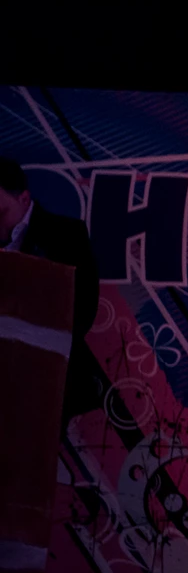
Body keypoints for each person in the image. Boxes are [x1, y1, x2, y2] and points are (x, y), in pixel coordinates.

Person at [0, 157, 100, 416]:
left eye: (1, 213)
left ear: (24, 199)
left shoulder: (67, 234)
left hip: (50, 377)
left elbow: (83, 309)